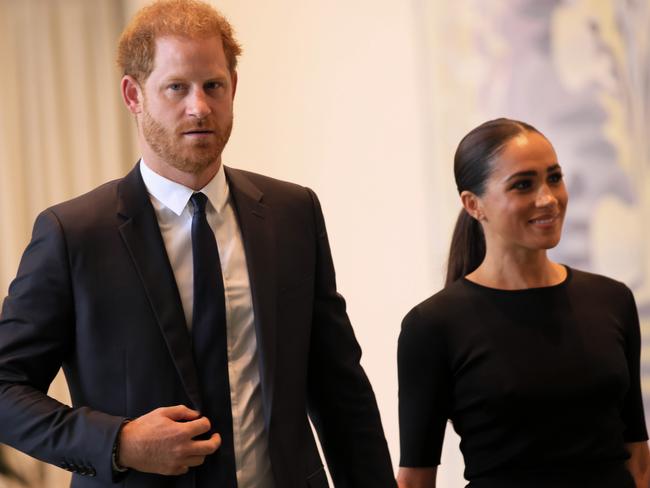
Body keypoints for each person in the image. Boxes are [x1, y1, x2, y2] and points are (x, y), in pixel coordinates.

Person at [0, 1, 395, 487]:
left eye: (213, 86)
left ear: (234, 87)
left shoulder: (292, 214)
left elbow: (340, 389)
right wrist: (118, 442)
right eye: (176, 88)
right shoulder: (74, 234)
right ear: (133, 95)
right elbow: (5, 389)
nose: (200, 107)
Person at [396, 118, 650, 488]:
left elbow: (638, 459)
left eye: (554, 177)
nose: (548, 198)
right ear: (473, 204)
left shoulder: (612, 300)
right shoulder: (433, 326)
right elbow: (415, 480)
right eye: (523, 185)